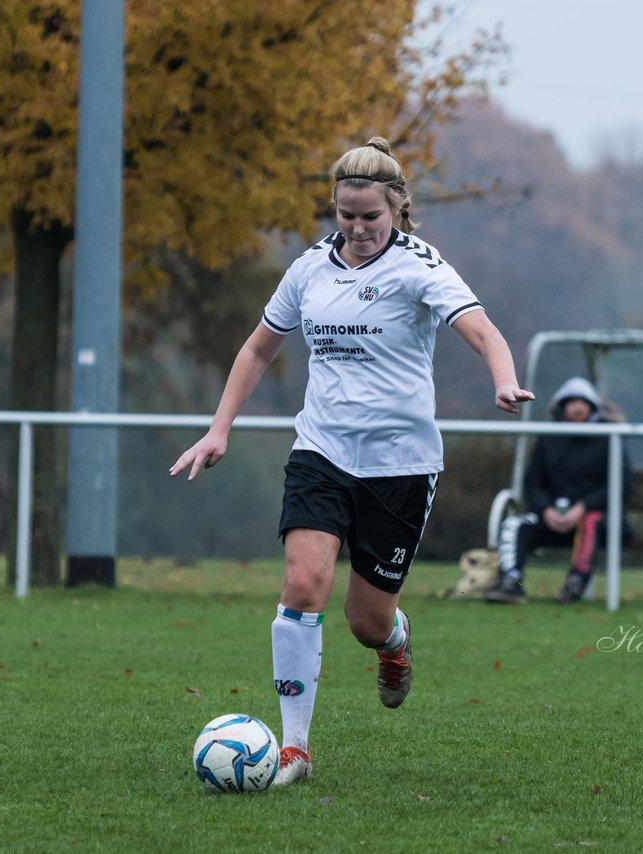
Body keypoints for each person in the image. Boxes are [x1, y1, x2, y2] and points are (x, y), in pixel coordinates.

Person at [169, 137, 534, 785]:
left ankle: (394, 643)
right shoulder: (309, 269)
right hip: (322, 451)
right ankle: (296, 748)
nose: (359, 228)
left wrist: (502, 379)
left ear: (396, 206)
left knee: (365, 621)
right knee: (302, 586)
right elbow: (258, 349)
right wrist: (218, 429)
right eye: (346, 215)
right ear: (333, 208)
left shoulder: (420, 266)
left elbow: (482, 328)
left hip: (401, 464)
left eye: (371, 215)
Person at [483, 376, 631, 604]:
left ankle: (575, 583)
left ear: (592, 407)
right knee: (515, 523)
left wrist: (581, 508)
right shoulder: (548, 438)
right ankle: (511, 582)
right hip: (549, 519)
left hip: (597, 520)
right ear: (562, 407)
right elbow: (533, 484)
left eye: (583, 402)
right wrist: (546, 510)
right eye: (571, 402)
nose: (577, 407)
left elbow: (618, 487)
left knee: (591, 521)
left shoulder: (609, 439)